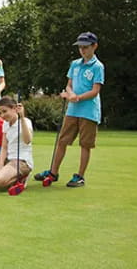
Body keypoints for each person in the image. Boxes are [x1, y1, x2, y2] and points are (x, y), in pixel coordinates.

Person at [34, 32, 104, 188]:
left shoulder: (98, 66)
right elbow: (69, 85)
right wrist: (70, 94)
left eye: (85, 47)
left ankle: (80, 176)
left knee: (85, 144)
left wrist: (77, 97)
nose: (82, 50)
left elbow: (95, 91)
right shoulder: (75, 64)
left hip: (89, 111)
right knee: (62, 141)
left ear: (94, 46)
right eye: (80, 47)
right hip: (72, 110)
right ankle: (53, 172)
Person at [0, 96, 33, 189]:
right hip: (9, 159)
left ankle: (22, 177)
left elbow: (27, 141)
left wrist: (22, 117)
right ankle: (7, 175)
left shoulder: (26, 121)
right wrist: (1, 165)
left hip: (22, 161)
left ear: (14, 108)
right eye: (0, 113)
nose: (2, 115)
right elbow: (4, 147)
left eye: (5, 111)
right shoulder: (5, 124)